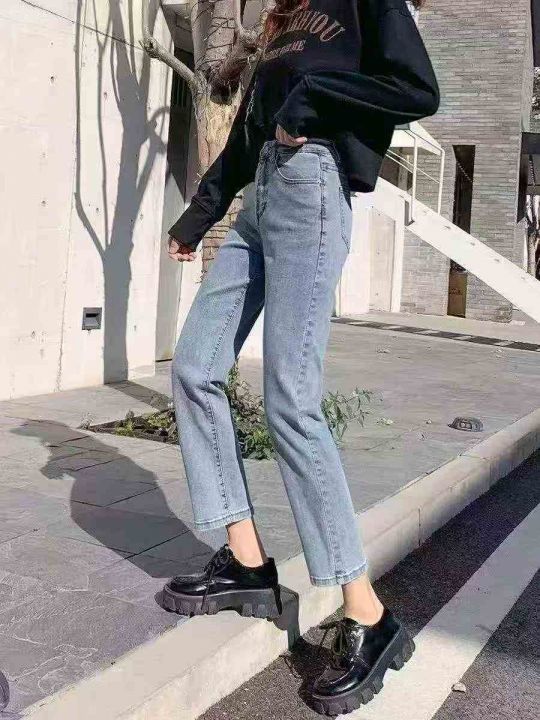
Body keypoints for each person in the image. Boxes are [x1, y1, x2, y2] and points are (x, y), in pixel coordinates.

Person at [162, 0, 438, 714]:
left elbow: (417, 89)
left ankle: (370, 616)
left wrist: (315, 99)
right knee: (195, 368)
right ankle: (248, 563)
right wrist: (201, 212)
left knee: (290, 399)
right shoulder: (284, 19)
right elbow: (249, 130)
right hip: (259, 199)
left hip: (312, 186)